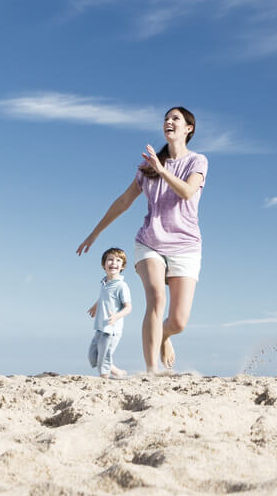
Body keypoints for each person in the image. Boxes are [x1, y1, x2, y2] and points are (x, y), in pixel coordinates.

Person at [76, 106, 208, 374]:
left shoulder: (197, 161)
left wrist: (162, 170)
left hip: (186, 246)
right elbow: (124, 201)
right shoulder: (148, 166)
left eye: (175, 119)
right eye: (166, 119)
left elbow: (187, 191)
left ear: (188, 129)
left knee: (179, 321)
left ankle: (165, 336)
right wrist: (95, 232)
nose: (168, 122)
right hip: (150, 242)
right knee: (156, 298)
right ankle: (151, 371)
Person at [86, 247, 133, 378]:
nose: (113, 263)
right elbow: (104, 297)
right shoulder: (104, 283)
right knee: (93, 357)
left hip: (112, 329)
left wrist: (117, 316)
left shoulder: (122, 286)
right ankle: (117, 372)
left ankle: (104, 379)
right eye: (110, 260)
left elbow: (128, 307)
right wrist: (95, 306)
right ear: (104, 264)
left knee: (104, 357)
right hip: (100, 326)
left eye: (118, 260)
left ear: (122, 266)